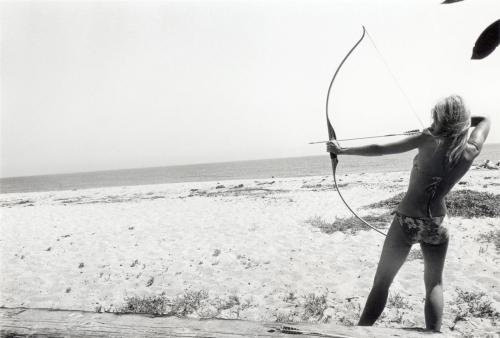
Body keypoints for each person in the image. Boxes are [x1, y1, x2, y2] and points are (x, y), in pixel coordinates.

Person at [326, 95, 491, 331]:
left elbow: (379, 149)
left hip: (407, 222)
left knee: (382, 282)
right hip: (437, 223)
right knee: (434, 283)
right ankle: (433, 333)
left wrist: (342, 149)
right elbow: (484, 119)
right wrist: (456, 125)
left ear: (440, 118)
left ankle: (360, 330)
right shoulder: (470, 149)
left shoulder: (427, 139)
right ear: (463, 122)